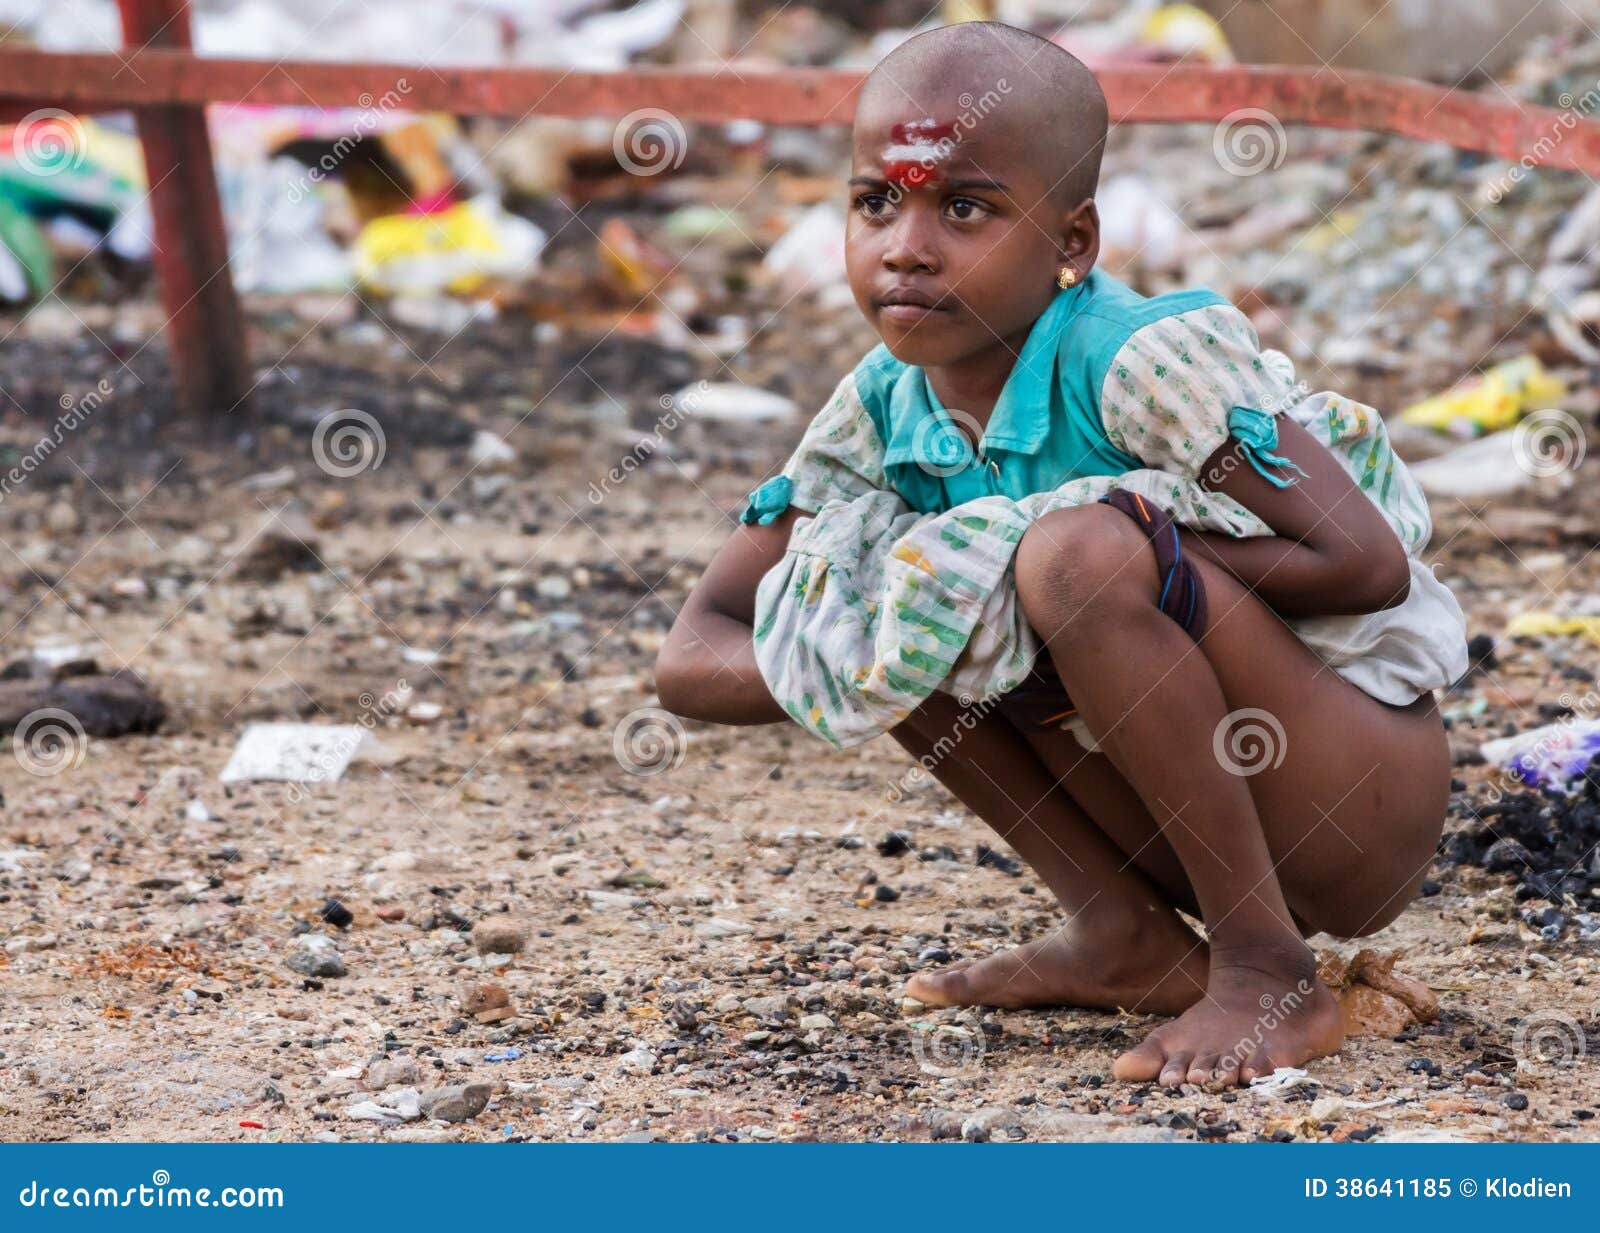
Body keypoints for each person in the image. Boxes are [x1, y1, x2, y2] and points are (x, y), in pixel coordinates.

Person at [654, 21, 1467, 1088]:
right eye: (873, 202)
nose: (905, 245)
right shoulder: (882, 408)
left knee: (1062, 558)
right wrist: (897, 640)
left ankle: (1270, 972)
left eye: (965, 208)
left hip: (1351, 796)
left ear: (1071, 243)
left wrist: (1117, 584)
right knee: (903, 588)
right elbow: (689, 657)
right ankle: (1119, 933)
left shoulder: (1135, 361)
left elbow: (1365, 563)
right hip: (1183, 816)